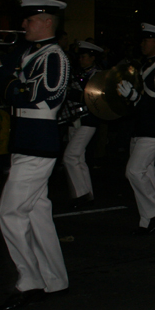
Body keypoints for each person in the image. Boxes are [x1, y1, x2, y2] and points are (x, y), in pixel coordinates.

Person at [0, 0, 71, 310]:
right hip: (27, 142)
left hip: (38, 143)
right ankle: (55, 279)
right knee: (36, 213)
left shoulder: (55, 56)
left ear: (45, 21)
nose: (23, 25)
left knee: (9, 212)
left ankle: (29, 281)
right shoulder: (29, 51)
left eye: (29, 20)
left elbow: (28, 94)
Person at [119, 23, 155, 235]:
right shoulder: (143, 67)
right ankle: (148, 220)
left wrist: (136, 98)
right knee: (146, 172)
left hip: (154, 129)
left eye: (147, 40)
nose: (143, 44)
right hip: (140, 127)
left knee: (133, 171)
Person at [62, 41, 103, 208]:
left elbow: (92, 97)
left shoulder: (98, 75)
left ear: (93, 57)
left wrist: (72, 93)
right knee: (79, 158)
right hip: (75, 118)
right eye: (80, 56)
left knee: (70, 156)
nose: (81, 59)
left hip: (88, 120)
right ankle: (88, 195)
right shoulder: (80, 73)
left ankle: (81, 195)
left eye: (84, 56)